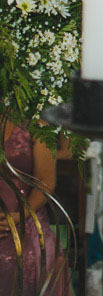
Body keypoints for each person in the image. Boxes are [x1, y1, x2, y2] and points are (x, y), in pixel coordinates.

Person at [1, 120, 68, 296]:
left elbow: (46, 180)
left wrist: (21, 215)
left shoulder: (37, 126)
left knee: (20, 259)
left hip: (26, 218)